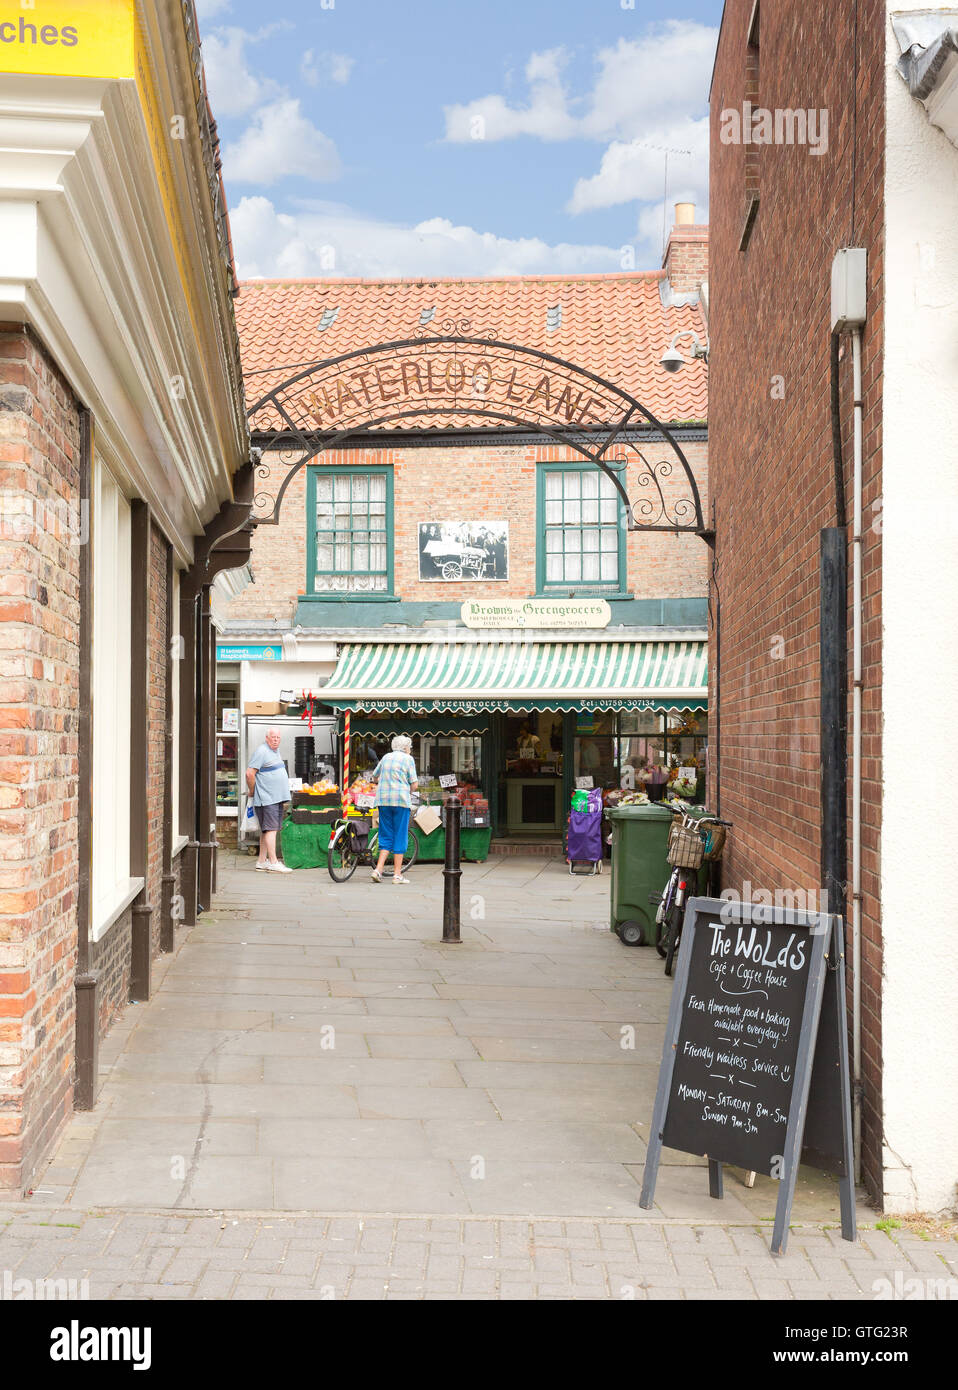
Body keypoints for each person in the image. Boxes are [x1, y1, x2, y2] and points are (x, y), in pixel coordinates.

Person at [370, 733, 419, 883]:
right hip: (401, 802)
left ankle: (378, 870)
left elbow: (375, 777)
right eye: (409, 747)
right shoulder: (408, 759)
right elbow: (414, 784)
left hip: (383, 801)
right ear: (405, 748)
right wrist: (406, 790)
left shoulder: (386, 757)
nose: (410, 750)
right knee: (400, 834)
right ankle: (397, 874)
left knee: (385, 834)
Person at [246, 727, 292, 872]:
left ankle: (261, 861)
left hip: (274, 797)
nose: (276, 740)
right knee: (271, 829)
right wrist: (252, 791)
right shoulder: (262, 751)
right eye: (273, 737)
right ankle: (273, 862)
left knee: (267, 830)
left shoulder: (274, 751)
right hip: (267, 798)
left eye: (278, 737)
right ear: (267, 738)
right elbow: (249, 773)